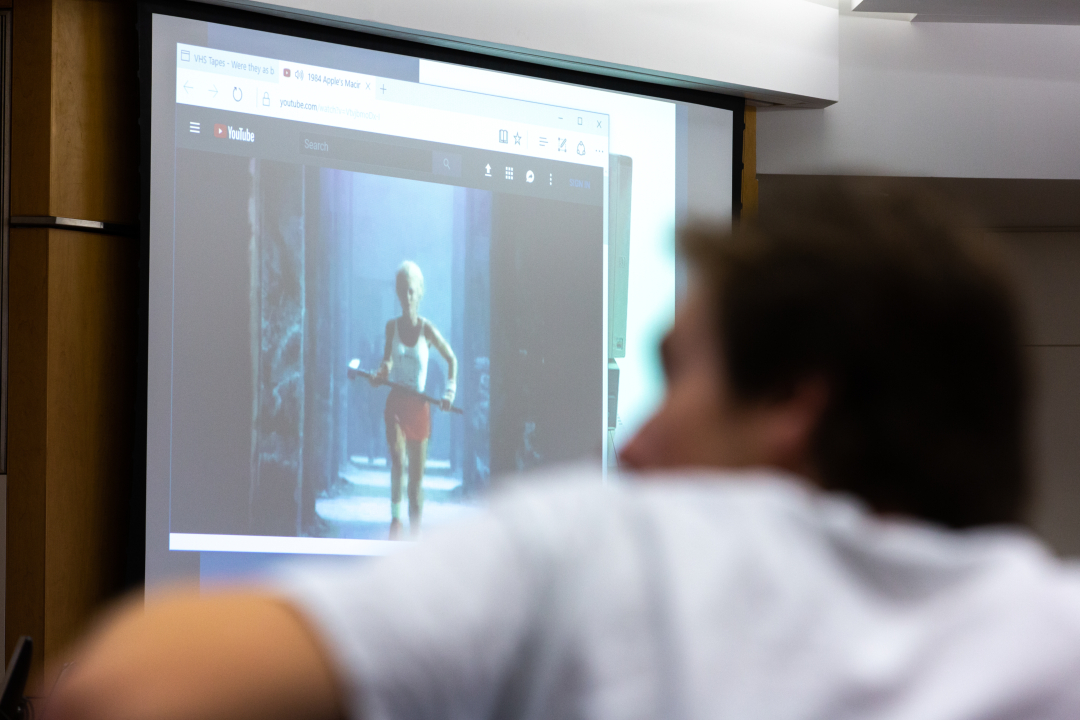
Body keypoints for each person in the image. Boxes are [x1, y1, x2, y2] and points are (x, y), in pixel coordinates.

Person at [48, 181, 1080, 720]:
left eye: (680, 376)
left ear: (792, 405)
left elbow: (123, 692)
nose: (636, 440)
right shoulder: (1057, 633)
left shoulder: (605, 553)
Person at [372, 261, 457, 539]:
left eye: (410, 291)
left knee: (416, 485)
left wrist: (449, 393)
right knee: (398, 460)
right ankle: (395, 524)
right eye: (401, 291)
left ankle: (416, 535)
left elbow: (451, 359)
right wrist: (381, 372)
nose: (405, 298)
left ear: (419, 293)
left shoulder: (427, 330)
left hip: (419, 410)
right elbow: (387, 361)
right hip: (396, 403)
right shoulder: (391, 327)